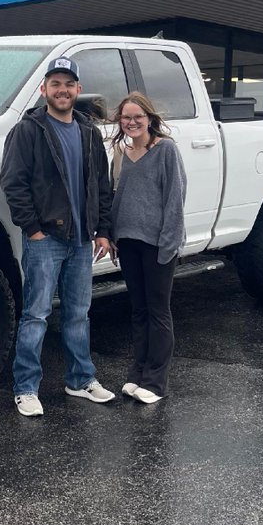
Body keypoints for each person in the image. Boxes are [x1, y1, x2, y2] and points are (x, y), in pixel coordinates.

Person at [0, 57, 116, 417]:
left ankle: (80, 380)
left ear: (78, 89)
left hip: (82, 240)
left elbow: (101, 184)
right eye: (55, 83)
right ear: (44, 89)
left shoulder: (87, 131)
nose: (62, 90)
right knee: (35, 315)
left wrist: (102, 231)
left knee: (78, 314)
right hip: (45, 239)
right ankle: (26, 388)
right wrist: (32, 229)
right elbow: (13, 182)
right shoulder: (28, 130)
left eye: (69, 84)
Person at [109, 91, 187, 405]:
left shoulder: (165, 149)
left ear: (150, 119)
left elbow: (175, 198)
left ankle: (156, 381)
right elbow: (116, 196)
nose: (131, 122)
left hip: (157, 244)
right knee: (138, 311)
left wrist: (169, 242)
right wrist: (112, 235)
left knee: (158, 312)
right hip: (127, 242)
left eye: (137, 117)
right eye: (126, 117)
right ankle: (137, 373)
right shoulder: (119, 152)